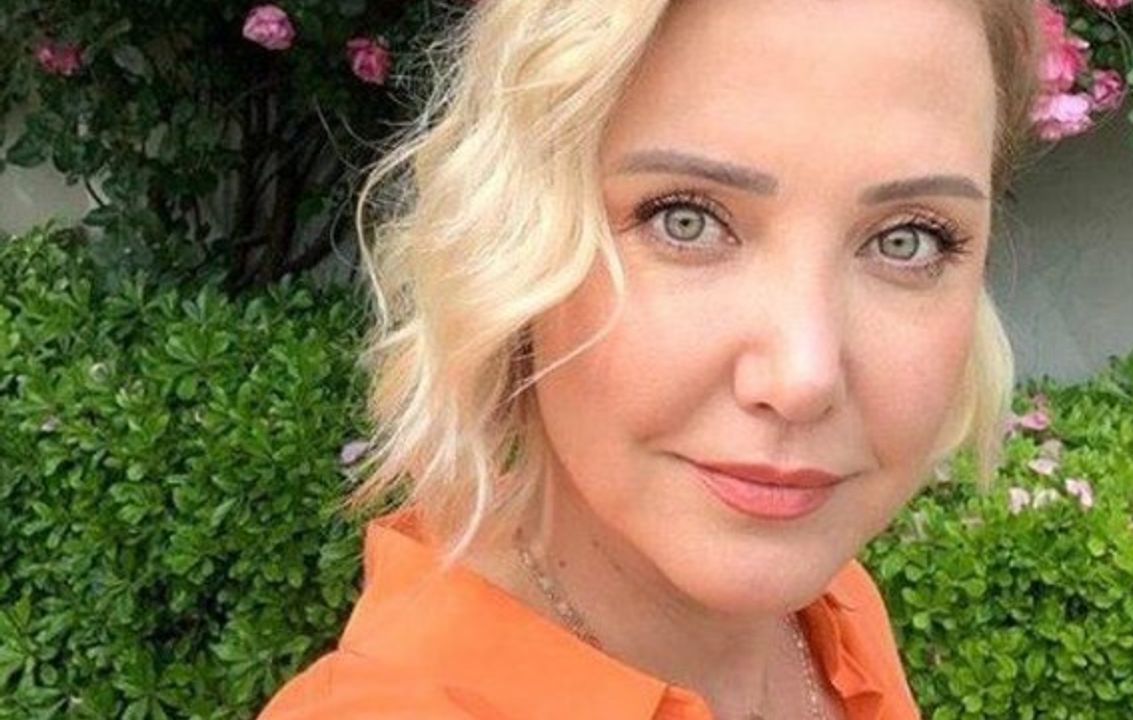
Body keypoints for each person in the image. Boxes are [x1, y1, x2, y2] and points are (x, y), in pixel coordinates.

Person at [259, 0, 1042, 717]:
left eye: (908, 240)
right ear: (510, 239)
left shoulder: (828, 620)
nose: (803, 377)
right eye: (686, 221)